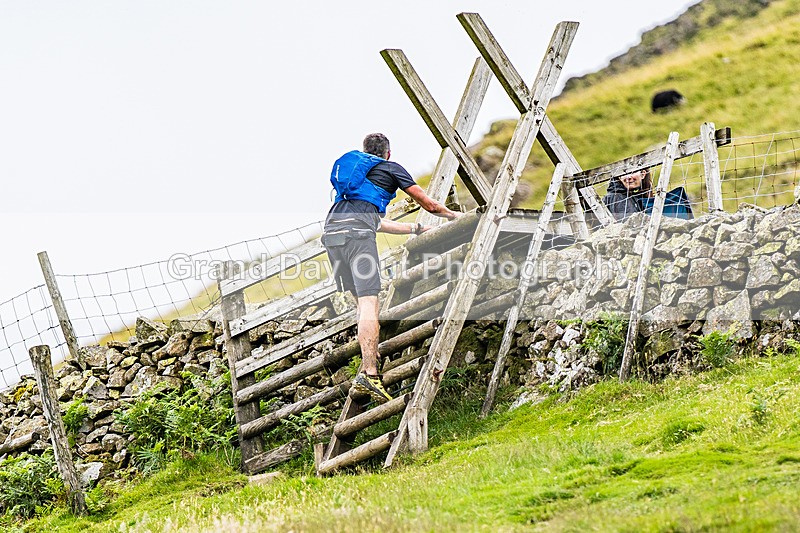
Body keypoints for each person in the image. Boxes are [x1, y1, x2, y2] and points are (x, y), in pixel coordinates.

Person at [322, 133, 460, 403]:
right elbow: (430, 204)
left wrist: (415, 228)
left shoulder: (352, 183)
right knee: (370, 304)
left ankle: (366, 364)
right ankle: (370, 375)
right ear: (387, 153)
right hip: (357, 237)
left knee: (362, 306)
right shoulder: (390, 168)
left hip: (332, 234)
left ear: (365, 153)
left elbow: (375, 222)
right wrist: (459, 217)